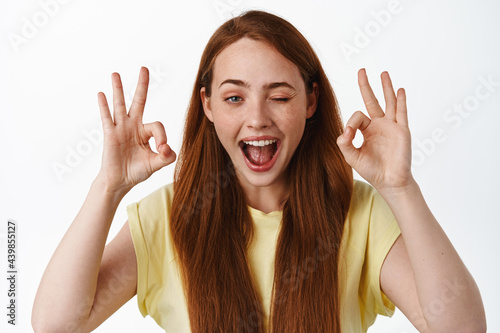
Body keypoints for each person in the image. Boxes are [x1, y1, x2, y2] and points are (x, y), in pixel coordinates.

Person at [32, 10, 486, 333]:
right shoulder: (167, 218)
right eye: (234, 97)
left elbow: (462, 327)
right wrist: (108, 188)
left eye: (280, 96)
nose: (257, 119)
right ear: (207, 105)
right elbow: (55, 324)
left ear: (310, 102)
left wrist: (401, 189)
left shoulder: (360, 215)